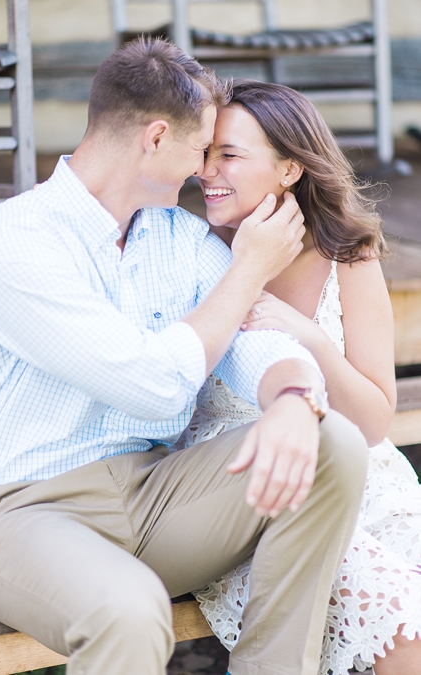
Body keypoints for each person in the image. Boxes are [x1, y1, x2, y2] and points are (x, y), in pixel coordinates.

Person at [0, 37, 370, 675]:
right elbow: (156, 386)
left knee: (335, 444)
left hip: (153, 492)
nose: (202, 170)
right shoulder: (17, 241)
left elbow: (255, 341)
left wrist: (296, 398)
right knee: (130, 611)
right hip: (22, 512)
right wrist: (248, 270)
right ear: (156, 139)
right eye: (198, 149)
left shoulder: (179, 238)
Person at [179, 79, 421, 675]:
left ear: (290, 168)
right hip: (254, 497)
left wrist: (308, 335)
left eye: (229, 155)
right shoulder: (189, 252)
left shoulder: (348, 256)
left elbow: (371, 420)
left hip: (369, 489)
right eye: (205, 152)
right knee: (403, 627)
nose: (207, 170)